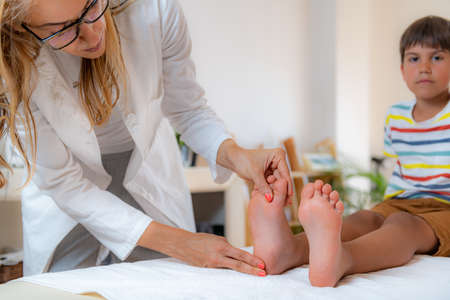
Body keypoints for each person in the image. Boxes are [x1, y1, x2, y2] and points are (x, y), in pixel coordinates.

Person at [0, 0, 293, 276]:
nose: (92, 34)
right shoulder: (13, 58)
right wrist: (182, 243)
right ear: (20, 27)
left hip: (145, 175)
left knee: (169, 283)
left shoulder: (154, 10)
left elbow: (188, 110)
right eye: (62, 30)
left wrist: (236, 154)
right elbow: (64, 183)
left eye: (92, 5)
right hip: (69, 199)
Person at [249, 15, 450, 287]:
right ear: (402, 70)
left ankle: (343, 259)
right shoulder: (396, 116)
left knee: (404, 226)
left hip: (443, 207)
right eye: (414, 59)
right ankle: (289, 250)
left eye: (436, 58)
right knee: (365, 218)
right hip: (399, 199)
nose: (424, 67)